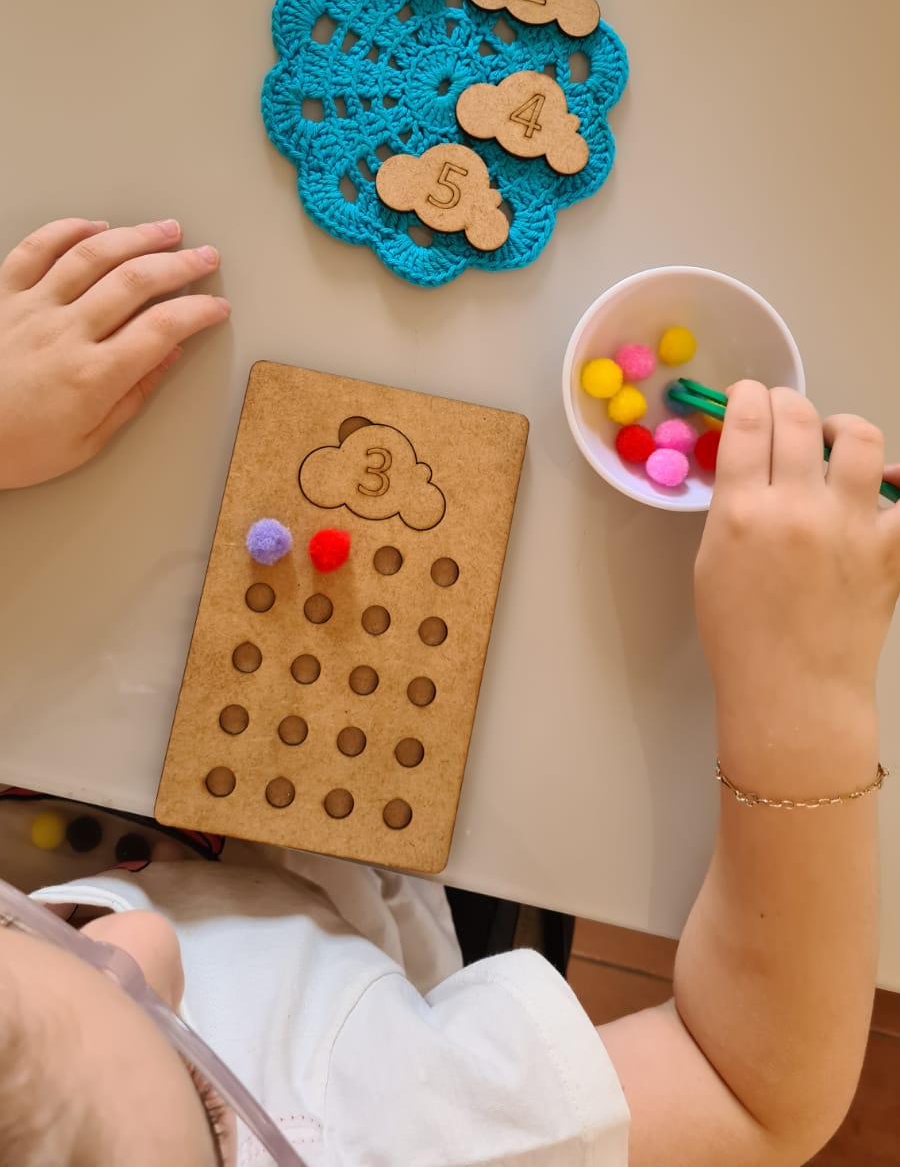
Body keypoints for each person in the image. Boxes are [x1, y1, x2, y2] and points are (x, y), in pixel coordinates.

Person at [1, 215, 898, 1167]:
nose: (142, 946)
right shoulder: (389, 1130)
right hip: (338, 886)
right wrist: (803, 693)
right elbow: (747, 1092)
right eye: (201, 1091)